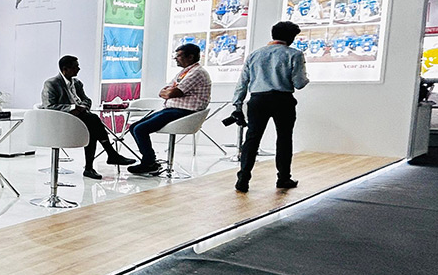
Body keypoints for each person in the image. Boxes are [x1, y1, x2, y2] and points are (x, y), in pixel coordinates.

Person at [231, 20, 309, 193]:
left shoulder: (254, 54)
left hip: (258, 100)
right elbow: (299, 83)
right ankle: (283, 178)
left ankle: (243, 179)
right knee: (284, 139)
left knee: (252, 139)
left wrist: (237, 105)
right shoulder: (295, 54)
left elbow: (242, 83)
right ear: (291, 38)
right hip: (283, 100)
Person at [40, 55, 134, 180]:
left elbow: (87, 100)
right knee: (93, 120)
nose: (79, 69)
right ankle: (110, 155)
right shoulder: (51, 84)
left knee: (92, 128)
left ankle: (91, 167)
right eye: (75, 67)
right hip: (63, 121)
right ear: (65, 69)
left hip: (81, 119)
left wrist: (82, 107)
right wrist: (72, 108)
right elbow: (49, 106)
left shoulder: (77, 83)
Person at [127, 43, 212, 175]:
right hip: (172, 109)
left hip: (185, 111)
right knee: (134, 127)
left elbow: (173, 92)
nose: (175, 58)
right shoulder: (185, 72)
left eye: (179, 56)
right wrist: (168, 92)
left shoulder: (197, 72)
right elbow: (164, 91)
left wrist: (169, 92)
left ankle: (149, 162)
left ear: (190, 57)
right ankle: (150, 160)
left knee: (140, 129)